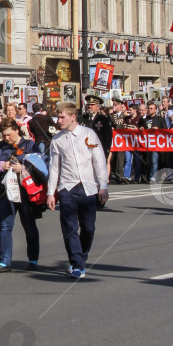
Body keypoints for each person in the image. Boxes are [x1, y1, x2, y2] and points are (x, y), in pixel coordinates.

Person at [47, 102, 109, 279]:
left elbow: (99, 161)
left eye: (62, 117)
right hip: (67, 188)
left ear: (73, 117)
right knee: (70, 228)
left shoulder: (88, 134)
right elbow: (54, 168)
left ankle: (81, 258)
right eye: (58, 117)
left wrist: (103, 187)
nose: (59, 120)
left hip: (88, 187)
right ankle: (76, 264)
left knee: (88, 228)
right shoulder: (57, 140)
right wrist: (51, 192)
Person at [0, 118, 42, 273]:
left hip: (26, 192)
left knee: (29, 226)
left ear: (17, 131)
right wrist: (1, 166)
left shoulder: (30, 145)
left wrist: (23, 167)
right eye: (3, 136)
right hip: (6, 192)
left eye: (9, 135)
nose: (6, 138)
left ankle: (33, 259)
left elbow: (41, 164)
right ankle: (4, 261)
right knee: (5, 226)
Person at [82, 94, 113, 181]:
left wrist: (106, 150)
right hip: (84, 149)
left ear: (98, 107)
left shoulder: (103, 119)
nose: (90, 107)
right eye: (88, 104)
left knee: (97, 171)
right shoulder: (82, 118)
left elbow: (108, 136)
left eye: (92, 105)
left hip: (98, 148)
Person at [140, 100, 166, 183]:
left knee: (154, 160)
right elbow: (143, 128)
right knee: (149, 161)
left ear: (155, 110)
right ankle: (148, 175)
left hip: (156, 143)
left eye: (152, 108)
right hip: (147, 143)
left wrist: (158, 130)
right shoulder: (145, 119)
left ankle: (153, 176)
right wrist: (142, 129)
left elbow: (165, 130)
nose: (150, 110)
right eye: (149, 108)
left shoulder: (160, 119)